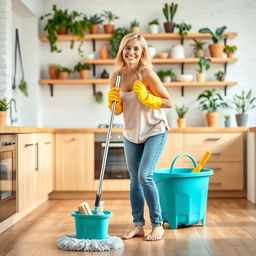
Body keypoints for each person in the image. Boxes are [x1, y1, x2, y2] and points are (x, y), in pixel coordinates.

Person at [108, 32, 173, 241]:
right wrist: (113, 103)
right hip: (131, 132)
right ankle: (138, 225)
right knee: (134, 180)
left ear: (142, 51)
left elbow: (168, 102)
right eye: (128, 47)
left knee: (145, 175)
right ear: (122, 50)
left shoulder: (146, 73)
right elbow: (117, 111)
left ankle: (157, 225)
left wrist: (148, 97)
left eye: (136, 48)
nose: (131, 52)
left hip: (154, 129)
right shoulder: (116, 76)